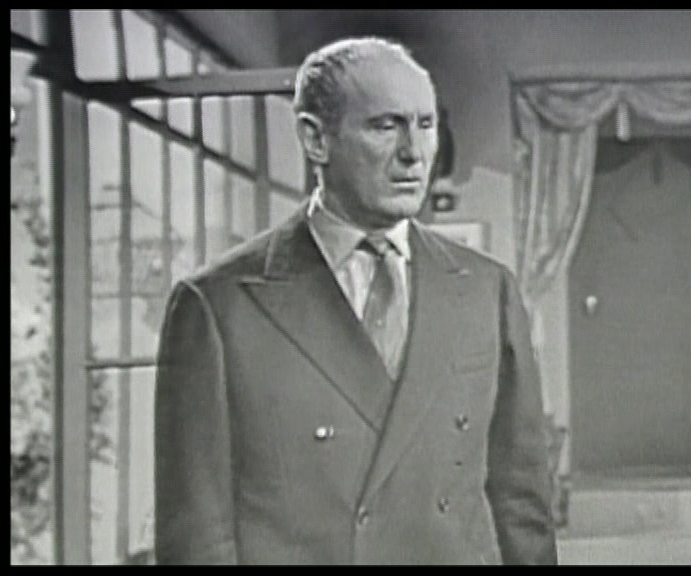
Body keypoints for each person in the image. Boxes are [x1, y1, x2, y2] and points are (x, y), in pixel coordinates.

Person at [154, 36, 557, 565]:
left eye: (426, 124)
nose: (414, 153)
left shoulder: (486, 289)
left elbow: (521, 507)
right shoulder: (218, 307)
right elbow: (197, 539)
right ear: (316, 139)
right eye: (385, 126)